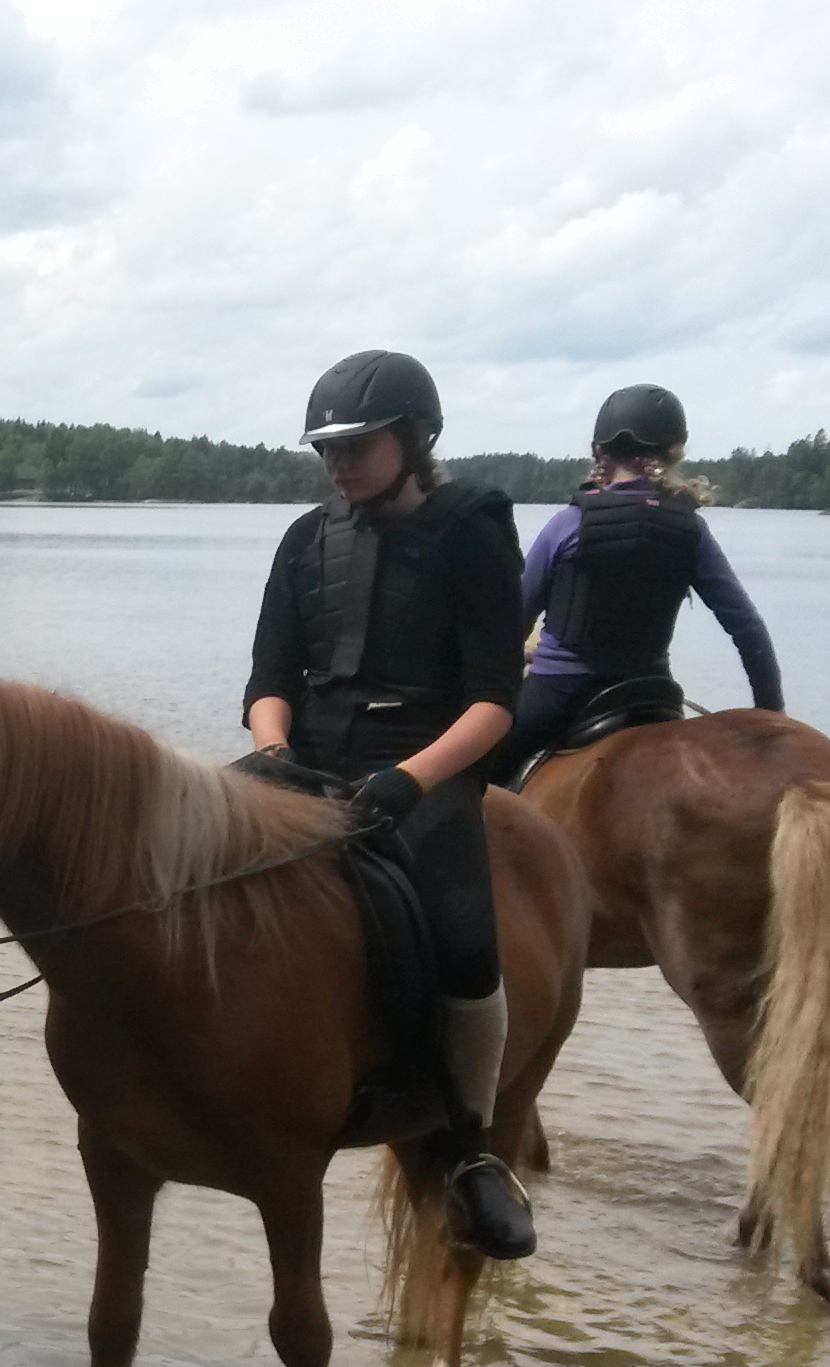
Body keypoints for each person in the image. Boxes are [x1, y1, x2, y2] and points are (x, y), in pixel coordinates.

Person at [239, 350, 538, 1258]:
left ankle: (470, 1147)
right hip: (306, 760)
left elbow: (496, 700)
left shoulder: (472, 533)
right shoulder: (304, 538)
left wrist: (412, 779)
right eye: (326, 449)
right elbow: (267, 677)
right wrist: (273, 753)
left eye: (357, 446)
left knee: (463, 936)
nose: (338, 465)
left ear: (413, 440)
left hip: (426, 769)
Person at [484, 383, 784, 782]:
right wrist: (772, 719)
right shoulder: (690, 529)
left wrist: (506, 674)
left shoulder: (569, 523)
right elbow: (747, 627)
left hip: (560, 694)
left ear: (600, 453)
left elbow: (514, 619)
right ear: (673, 452)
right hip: (652, 694)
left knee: (467, 775)